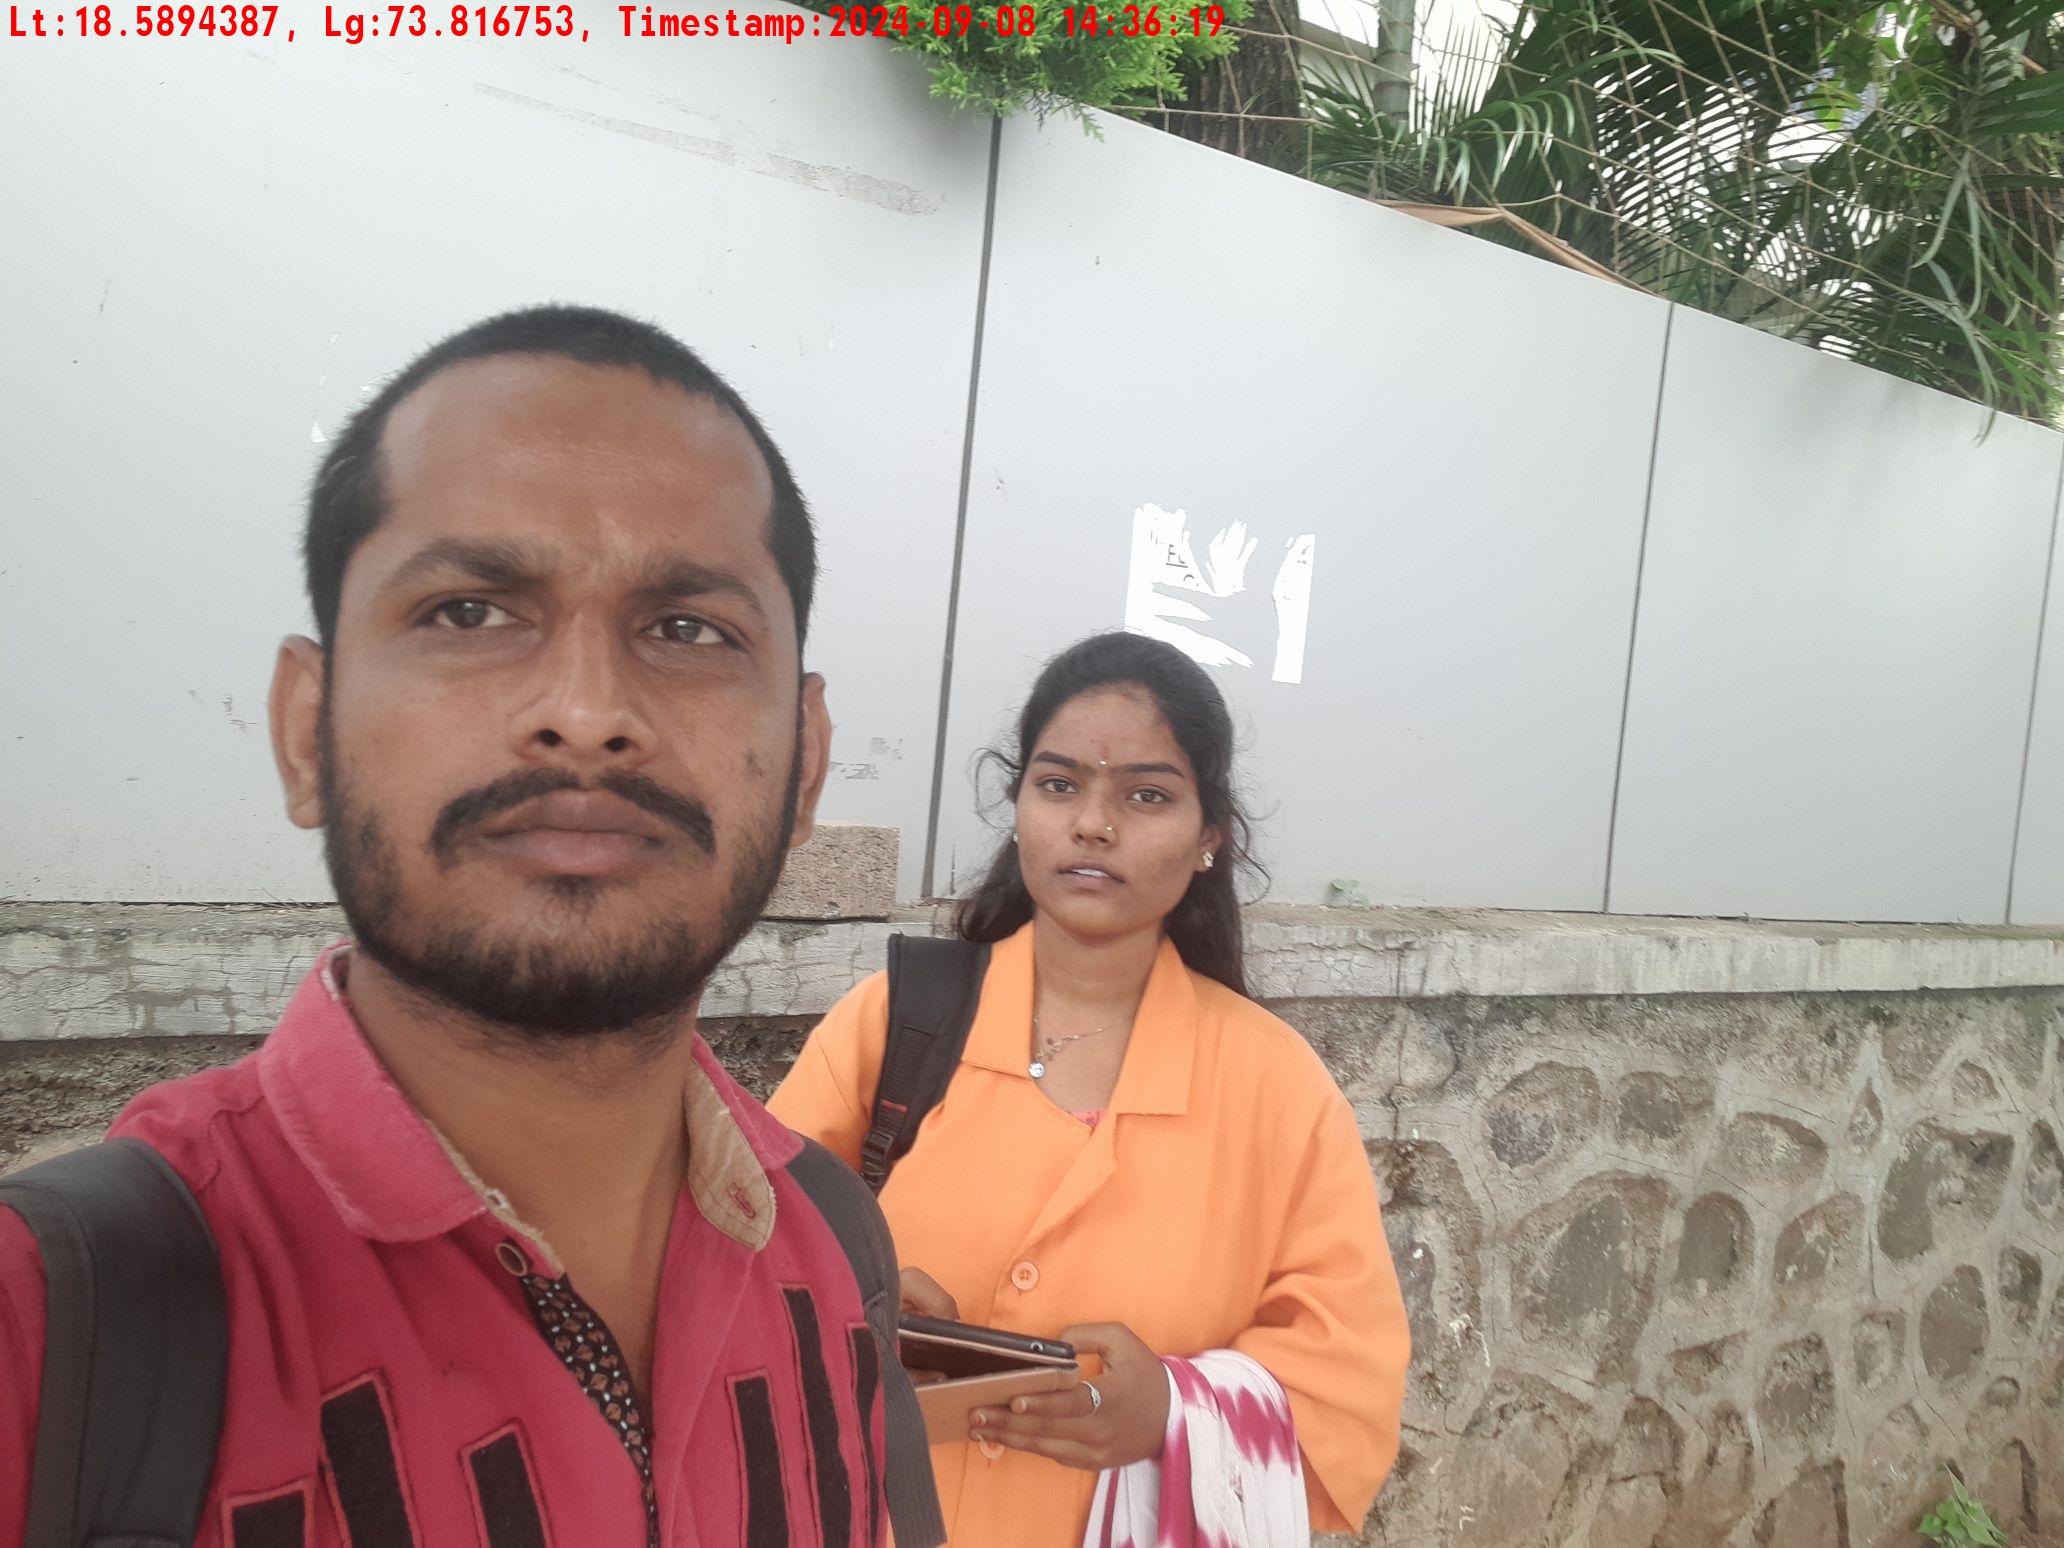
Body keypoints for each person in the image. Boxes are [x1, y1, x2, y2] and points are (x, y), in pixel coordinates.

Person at [0, 305, 939, 1548]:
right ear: (306, 733)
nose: (588, 711)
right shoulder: (53, 1326)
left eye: (688, 629)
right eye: (469, 612)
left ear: (807, 765)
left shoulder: (835, 1250)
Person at [769, 630, 1411, 1546]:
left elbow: (1347, 1393)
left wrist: (1171, 1415)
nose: (1094, 824)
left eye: (1147, 795)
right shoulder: (890, 1026)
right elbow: (743, 1257)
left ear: (1210, 838)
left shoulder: (1279, 1091)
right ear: (1019, 805)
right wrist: (856, 1306)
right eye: (1059, 784)